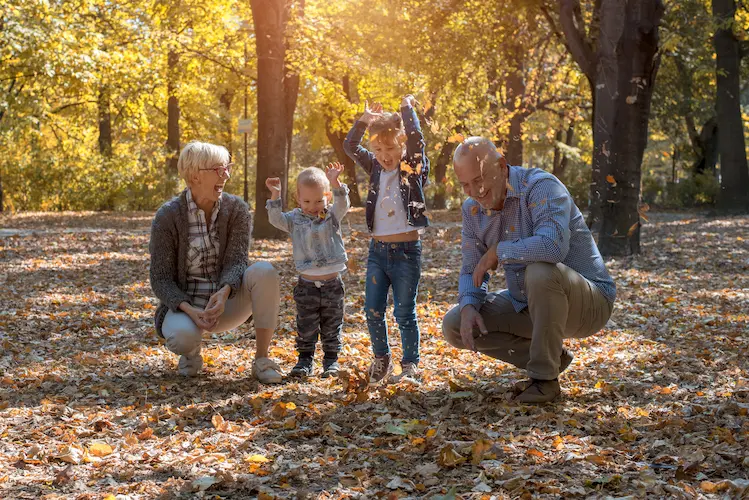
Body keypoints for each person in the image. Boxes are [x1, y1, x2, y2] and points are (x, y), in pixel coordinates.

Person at [441, 137, 616, 403]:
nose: (474, 191)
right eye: (465, 184)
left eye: (479, 180)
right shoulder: (472, 209)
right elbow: (471, 268)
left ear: (501, 165)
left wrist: (499, 250)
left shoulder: (541, 187)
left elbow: (552, 246)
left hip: (589, 302)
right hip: (529, 303)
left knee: (540, 271)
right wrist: (468, 305)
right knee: (455, 324)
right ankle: (552, 356)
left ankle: (544, 381)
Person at [149, 141, 283, 383]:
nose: (226, 175)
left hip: (227, 302)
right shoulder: (167, 216)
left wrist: (224, 292)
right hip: (187, 307)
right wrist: (188, 308)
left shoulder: (236, 210)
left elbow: (237, 260)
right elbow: (160, 279)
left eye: (227, 168)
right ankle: (191, 353)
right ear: (194, 175)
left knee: (265, 271)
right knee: (182, 338)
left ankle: (262, 359)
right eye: (218, 170)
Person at [343, 94, 429, 384]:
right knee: (372, 309)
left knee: (404, 312)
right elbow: (350, 146)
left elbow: (417, 139)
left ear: (401, 144)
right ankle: (381, 358)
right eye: (378, 148)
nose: (384, 154)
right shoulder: (376, 169)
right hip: (377, 252)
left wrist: (406, 109)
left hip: (407, 252)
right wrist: (364, 120)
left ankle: (410, 365)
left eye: (390, 147)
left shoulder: (412, 169)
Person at [265, 163, 351, 378]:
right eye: (307, 201)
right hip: (307, 285)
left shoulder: (332, 216)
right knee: (306, 325)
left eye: (319, 200)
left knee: (332, 325)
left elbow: (343, 204)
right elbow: (275, 219)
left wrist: (336, 182)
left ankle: (331, 361)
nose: (313, 206)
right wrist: (275, 195)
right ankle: (305, 360)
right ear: (298, 198)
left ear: (327, 197)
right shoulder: (294, 220)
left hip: (332, 284)